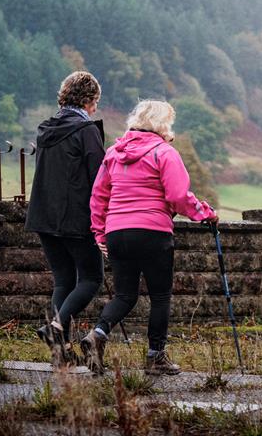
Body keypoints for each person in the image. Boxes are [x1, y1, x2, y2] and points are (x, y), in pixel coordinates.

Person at [81, 100, 218, 376]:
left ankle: (97, 334)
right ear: (162, 124)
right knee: (160, 295)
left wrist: (99, 232)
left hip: (117, 232)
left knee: (125, 294)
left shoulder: (113, 154)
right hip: (153, 232)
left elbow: (98, 196)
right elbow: (178, 197)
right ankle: (156, 357)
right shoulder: (164, 153)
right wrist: (205, 213)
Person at [25, 71, 106, 366]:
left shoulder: (45, 129)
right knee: (91, 277)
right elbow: (99, 178)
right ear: (87, 100)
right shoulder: (87, 131)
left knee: (63, 281)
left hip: (44, 216)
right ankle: (56, 327)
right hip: (76, 218)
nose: (96, 108)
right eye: (95, 101)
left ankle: (61, 354)